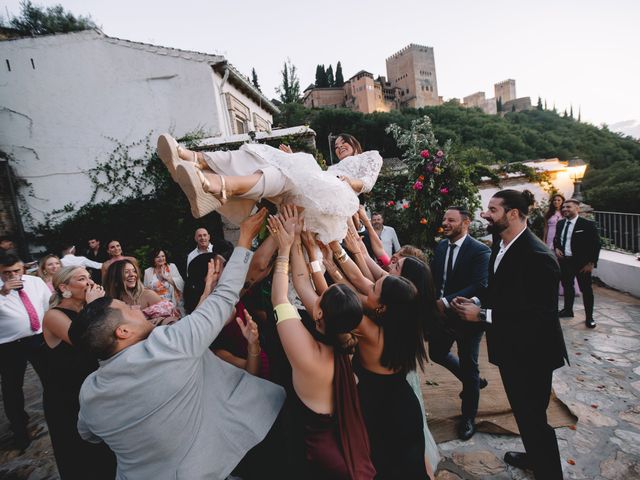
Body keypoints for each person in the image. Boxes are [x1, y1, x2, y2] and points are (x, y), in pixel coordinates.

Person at [69, 209, 286, 479]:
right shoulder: (167, 345)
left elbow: (88, 435)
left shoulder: (89, 393)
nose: (139, 310)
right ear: (123, 331)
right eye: (129, 309)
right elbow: (224, 298)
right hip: (220, 462)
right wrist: (244, 240)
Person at [452, 189, 568, 480]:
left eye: (492, 209)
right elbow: (501, 292)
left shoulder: (538, 256)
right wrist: (478, 302)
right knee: (523, 411)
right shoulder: (500, 243)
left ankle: (549, 473)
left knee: (534, 417)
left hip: (534, 352)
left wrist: (481, 316)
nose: (484, 214)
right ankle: (533, 456)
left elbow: (538, 316)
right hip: (511, 347)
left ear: (513, 214)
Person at [267, 206, 376, 479]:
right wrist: (297, 244)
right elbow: (303, 282)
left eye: (319, 299)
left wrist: (282, 248)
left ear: (318, 312)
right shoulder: (348, 337)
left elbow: (280, 300)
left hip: (323, 456)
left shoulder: (310, 355)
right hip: (341, 441)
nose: (315, 297)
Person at [320, 235, 432, 479]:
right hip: (405, 406)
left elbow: (336, 297)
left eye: (374, 288)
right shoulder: (406, 322)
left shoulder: (370, 329)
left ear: (383, 306)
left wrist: (316, 264)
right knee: (411, 467)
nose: (370, 284)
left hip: (381, 410)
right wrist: (335, 252)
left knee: (382, 466)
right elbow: (358, 280)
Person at [157, 133, 382, 243]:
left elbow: (367, 184)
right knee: (269, 160)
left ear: (355, 145)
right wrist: (292, 160)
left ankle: (212, 179)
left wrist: (348, 181)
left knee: (289, 166)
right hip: (317, 190)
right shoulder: (331, 167)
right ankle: (200, 163)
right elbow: (317, 177)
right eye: (336, 145)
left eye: (344, 143)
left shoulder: (371, 157)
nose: (340, 146)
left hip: (335, 199)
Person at [41, 267, 116, 479]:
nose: (89, 282)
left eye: (89, 278)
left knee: (105, 453)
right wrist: (93, 305)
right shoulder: (53, 316)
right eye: (82, 279)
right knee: (79, 457)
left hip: (94, 390)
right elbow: (85, 340)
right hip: (67, 397)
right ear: (64, 287)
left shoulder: (86, 311)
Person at [429, 207, 491, 440]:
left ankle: (468, 418)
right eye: (444, 219)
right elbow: (436, 278)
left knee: (469, 363)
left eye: (451, 220)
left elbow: (480, 285)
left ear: (465, 223)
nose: (445, 223)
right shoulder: (442, 246)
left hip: (468, 318)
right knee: (436, 353)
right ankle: (472, 381)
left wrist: (444, 302)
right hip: (442, 317)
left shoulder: (480, 250)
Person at [0, 254, 49, 451]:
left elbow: (48, 304)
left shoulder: (35, 281)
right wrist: (3, 292)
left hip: (38, 338)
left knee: (51, 378)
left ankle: (61, 413)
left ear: (23, 269)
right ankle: (20, 430)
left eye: (17, 271)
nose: (13, 275)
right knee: (12, 388)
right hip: (9, 345)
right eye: (6, 273)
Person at [554, 199, 601, 328]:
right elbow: (556, 239)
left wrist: (591, 263)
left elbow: (596, 244)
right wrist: (557, 248)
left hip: (582, 264)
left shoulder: (587, 224)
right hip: (565, 262)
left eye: (568, 207)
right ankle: (568, 310)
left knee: (586, 290)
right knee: (567, 286)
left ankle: (589, 317)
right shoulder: (560, 223)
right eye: (563, 207)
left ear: (577, 209)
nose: (565, 209)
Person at [104, 259, 176, 325]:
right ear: (115, 277)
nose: (132, 275)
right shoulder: (111, 300)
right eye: (126, 272)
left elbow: (171, 322)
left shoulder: (148, 295)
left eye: (134, 271)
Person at [543, 193, 579, 297]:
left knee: (563, 264)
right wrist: (544, 240)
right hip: (550, 238)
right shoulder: (549, 213)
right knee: (551, 263)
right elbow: (545, 227)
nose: (556, 202)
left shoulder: (565, 213)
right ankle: (552, 286)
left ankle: (565, 288)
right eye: (554, 200)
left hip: (561, 239)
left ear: (562, 201)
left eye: (559, 200)